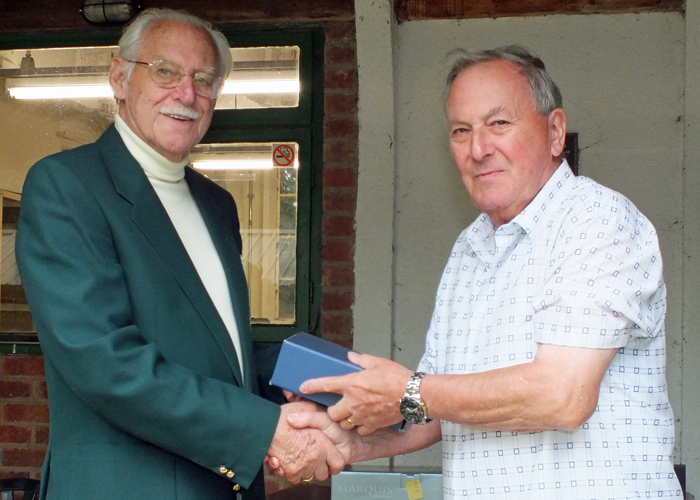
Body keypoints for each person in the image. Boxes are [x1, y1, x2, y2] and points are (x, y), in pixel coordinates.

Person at [281, 45, 682, 499]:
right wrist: (352, 440)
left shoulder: (597, 219)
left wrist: (405, 390)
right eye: (460, 130)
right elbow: (438, 408)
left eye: (499, 124)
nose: (478, 149)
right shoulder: (469, 248)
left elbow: (562, 396)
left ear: (555, 132)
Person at [16, 8, 341, 500]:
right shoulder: (67, 186)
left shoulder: (216, 204)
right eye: (165, 71)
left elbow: (210, 350)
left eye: (204, 80)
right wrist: (264, 428)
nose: (186, 94)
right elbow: (104, 363)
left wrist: (312, 379)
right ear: (119, 77)